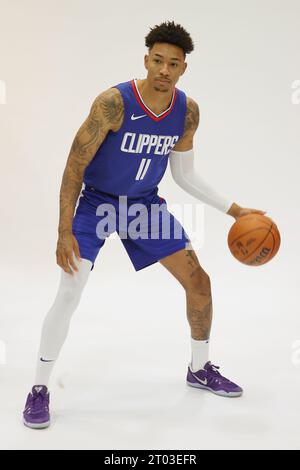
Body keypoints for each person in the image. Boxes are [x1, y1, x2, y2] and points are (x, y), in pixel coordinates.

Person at [23, 21, 266, 429]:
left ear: (183, 68)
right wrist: (64, 230)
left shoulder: (186, 111)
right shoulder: (113, 103)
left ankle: (199, 368)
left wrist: (237, 212)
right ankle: (39, 388)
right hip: (96, 204)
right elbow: (75, 165)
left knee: (200, 283)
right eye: (157, 60)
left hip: (143, 207)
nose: (164, 70)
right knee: (69, 293)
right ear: (146, 59)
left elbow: (185, 176)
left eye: (173, 63)